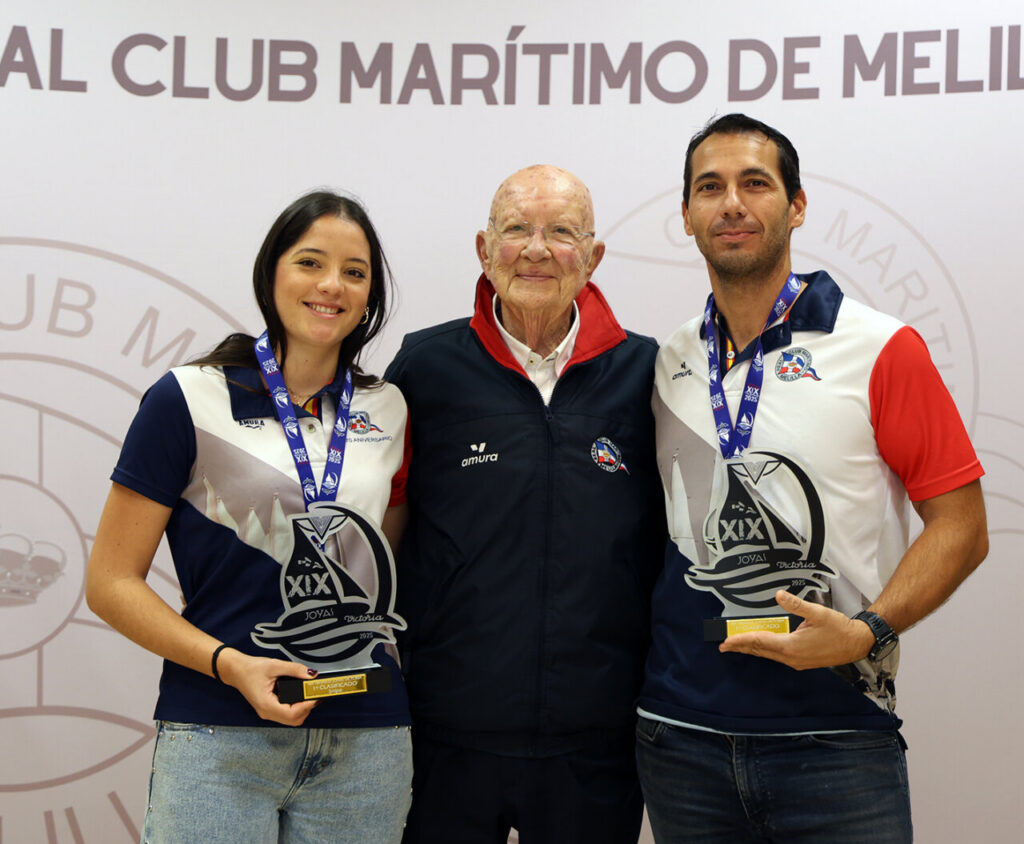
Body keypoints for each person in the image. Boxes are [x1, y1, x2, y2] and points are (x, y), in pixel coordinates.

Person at [636, 113, 989, 843]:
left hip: (836, 736)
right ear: (687, 216)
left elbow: (962, 526)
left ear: (795, 207)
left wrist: (869, 630)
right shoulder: (667, 361)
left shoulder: (881, 346)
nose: (731, 203)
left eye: (754, 184)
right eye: (710, 188)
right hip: (680, 739)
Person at [86, 190, 413, 843]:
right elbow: (110, 583)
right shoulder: (188, 397)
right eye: (310, 262)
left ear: (370, 297)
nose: (331, 285)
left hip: (366, 739)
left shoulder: (392, 409)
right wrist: (231, 664)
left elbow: (385, 567)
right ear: (272, 274)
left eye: (355, 272)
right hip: (218, 730)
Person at [384, 165, 665, 843]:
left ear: (593, 257)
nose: (537, 250)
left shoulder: (646, 374)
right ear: (484, 249)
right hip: (443, 734)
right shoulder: (424, 368)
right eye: (516, 230)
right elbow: (382, 532)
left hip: (596, 740)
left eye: (562, 232)